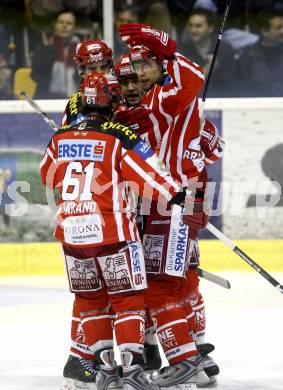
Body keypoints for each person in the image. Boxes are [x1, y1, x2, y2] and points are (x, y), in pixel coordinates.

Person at [40, 71, 188, 390]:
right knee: (128, 299)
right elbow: (147, 178)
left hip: (72, 235)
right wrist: (175, 192)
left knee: (89, 300)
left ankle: (104, 370)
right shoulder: (120, 135)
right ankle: (132, 368)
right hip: (112, 233)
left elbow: (47, 177)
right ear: (113, 99)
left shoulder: (59, 137)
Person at [119, 23, 224, 387]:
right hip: (163, 200)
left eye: (145, 65)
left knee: (163, 283)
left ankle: (186, 357)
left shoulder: (167, 97)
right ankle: (192, 353)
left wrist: (166, 48)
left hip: (179, 198)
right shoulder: (143, 104)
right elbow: (216, 148)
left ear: (159, 66)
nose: (136, 77)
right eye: (131, 72)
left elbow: (192, 80)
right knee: (175, 278)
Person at [179, 7, 238, 97]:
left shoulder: (224, 49)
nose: (193, 30)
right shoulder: (181, 51)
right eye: (190, 25)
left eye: (198, 26)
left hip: (223, 100)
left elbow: (234, 82)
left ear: (210, 28)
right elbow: (186, 87)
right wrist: (209, 67)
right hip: (194, 103)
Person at [31, 10, 80, 98]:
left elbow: (84, 78)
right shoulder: (45, 47)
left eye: (69, 23)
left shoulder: (81, 49)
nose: (64, 26)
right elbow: (36, 76)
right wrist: (48, 52)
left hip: (74, 100)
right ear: (56, 25)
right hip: (47, 99)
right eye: (61, 22)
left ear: (74, 28)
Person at [236, 10, 283, 97]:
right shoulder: (247, 56)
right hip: (257, 105)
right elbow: (240, 88)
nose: (282, 31)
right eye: (278, 28)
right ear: (264, 31)